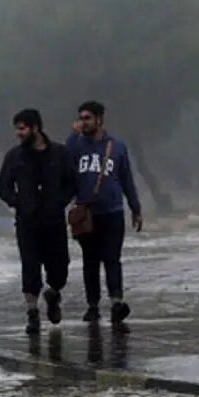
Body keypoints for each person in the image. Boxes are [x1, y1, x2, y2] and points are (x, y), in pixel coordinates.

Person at [0, 108, 78, 335]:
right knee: (30, 267)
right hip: (27, 222)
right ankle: (32, 312)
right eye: (17, 129)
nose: (18, 134)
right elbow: (3, 185)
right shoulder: (15, 157)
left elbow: (72, 182)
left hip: (54, 221)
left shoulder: (59, 154)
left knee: (60, 268)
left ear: (36, 128)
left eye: (22, 129)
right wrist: (17, 202)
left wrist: (60, 201)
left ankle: (53, 294)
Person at [66, 100, 143, 326]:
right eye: (80, 118)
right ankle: (92, 305)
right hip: (86, 214)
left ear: (99, 120)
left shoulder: (117, 147)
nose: (83, 123)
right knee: (90, 261)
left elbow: (127, 179)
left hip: (112, 211)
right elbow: (63, 163)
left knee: (112, 258)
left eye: (87, 118)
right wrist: (72, 136)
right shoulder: (76, 146)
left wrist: (135, 209)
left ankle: (116, 302)